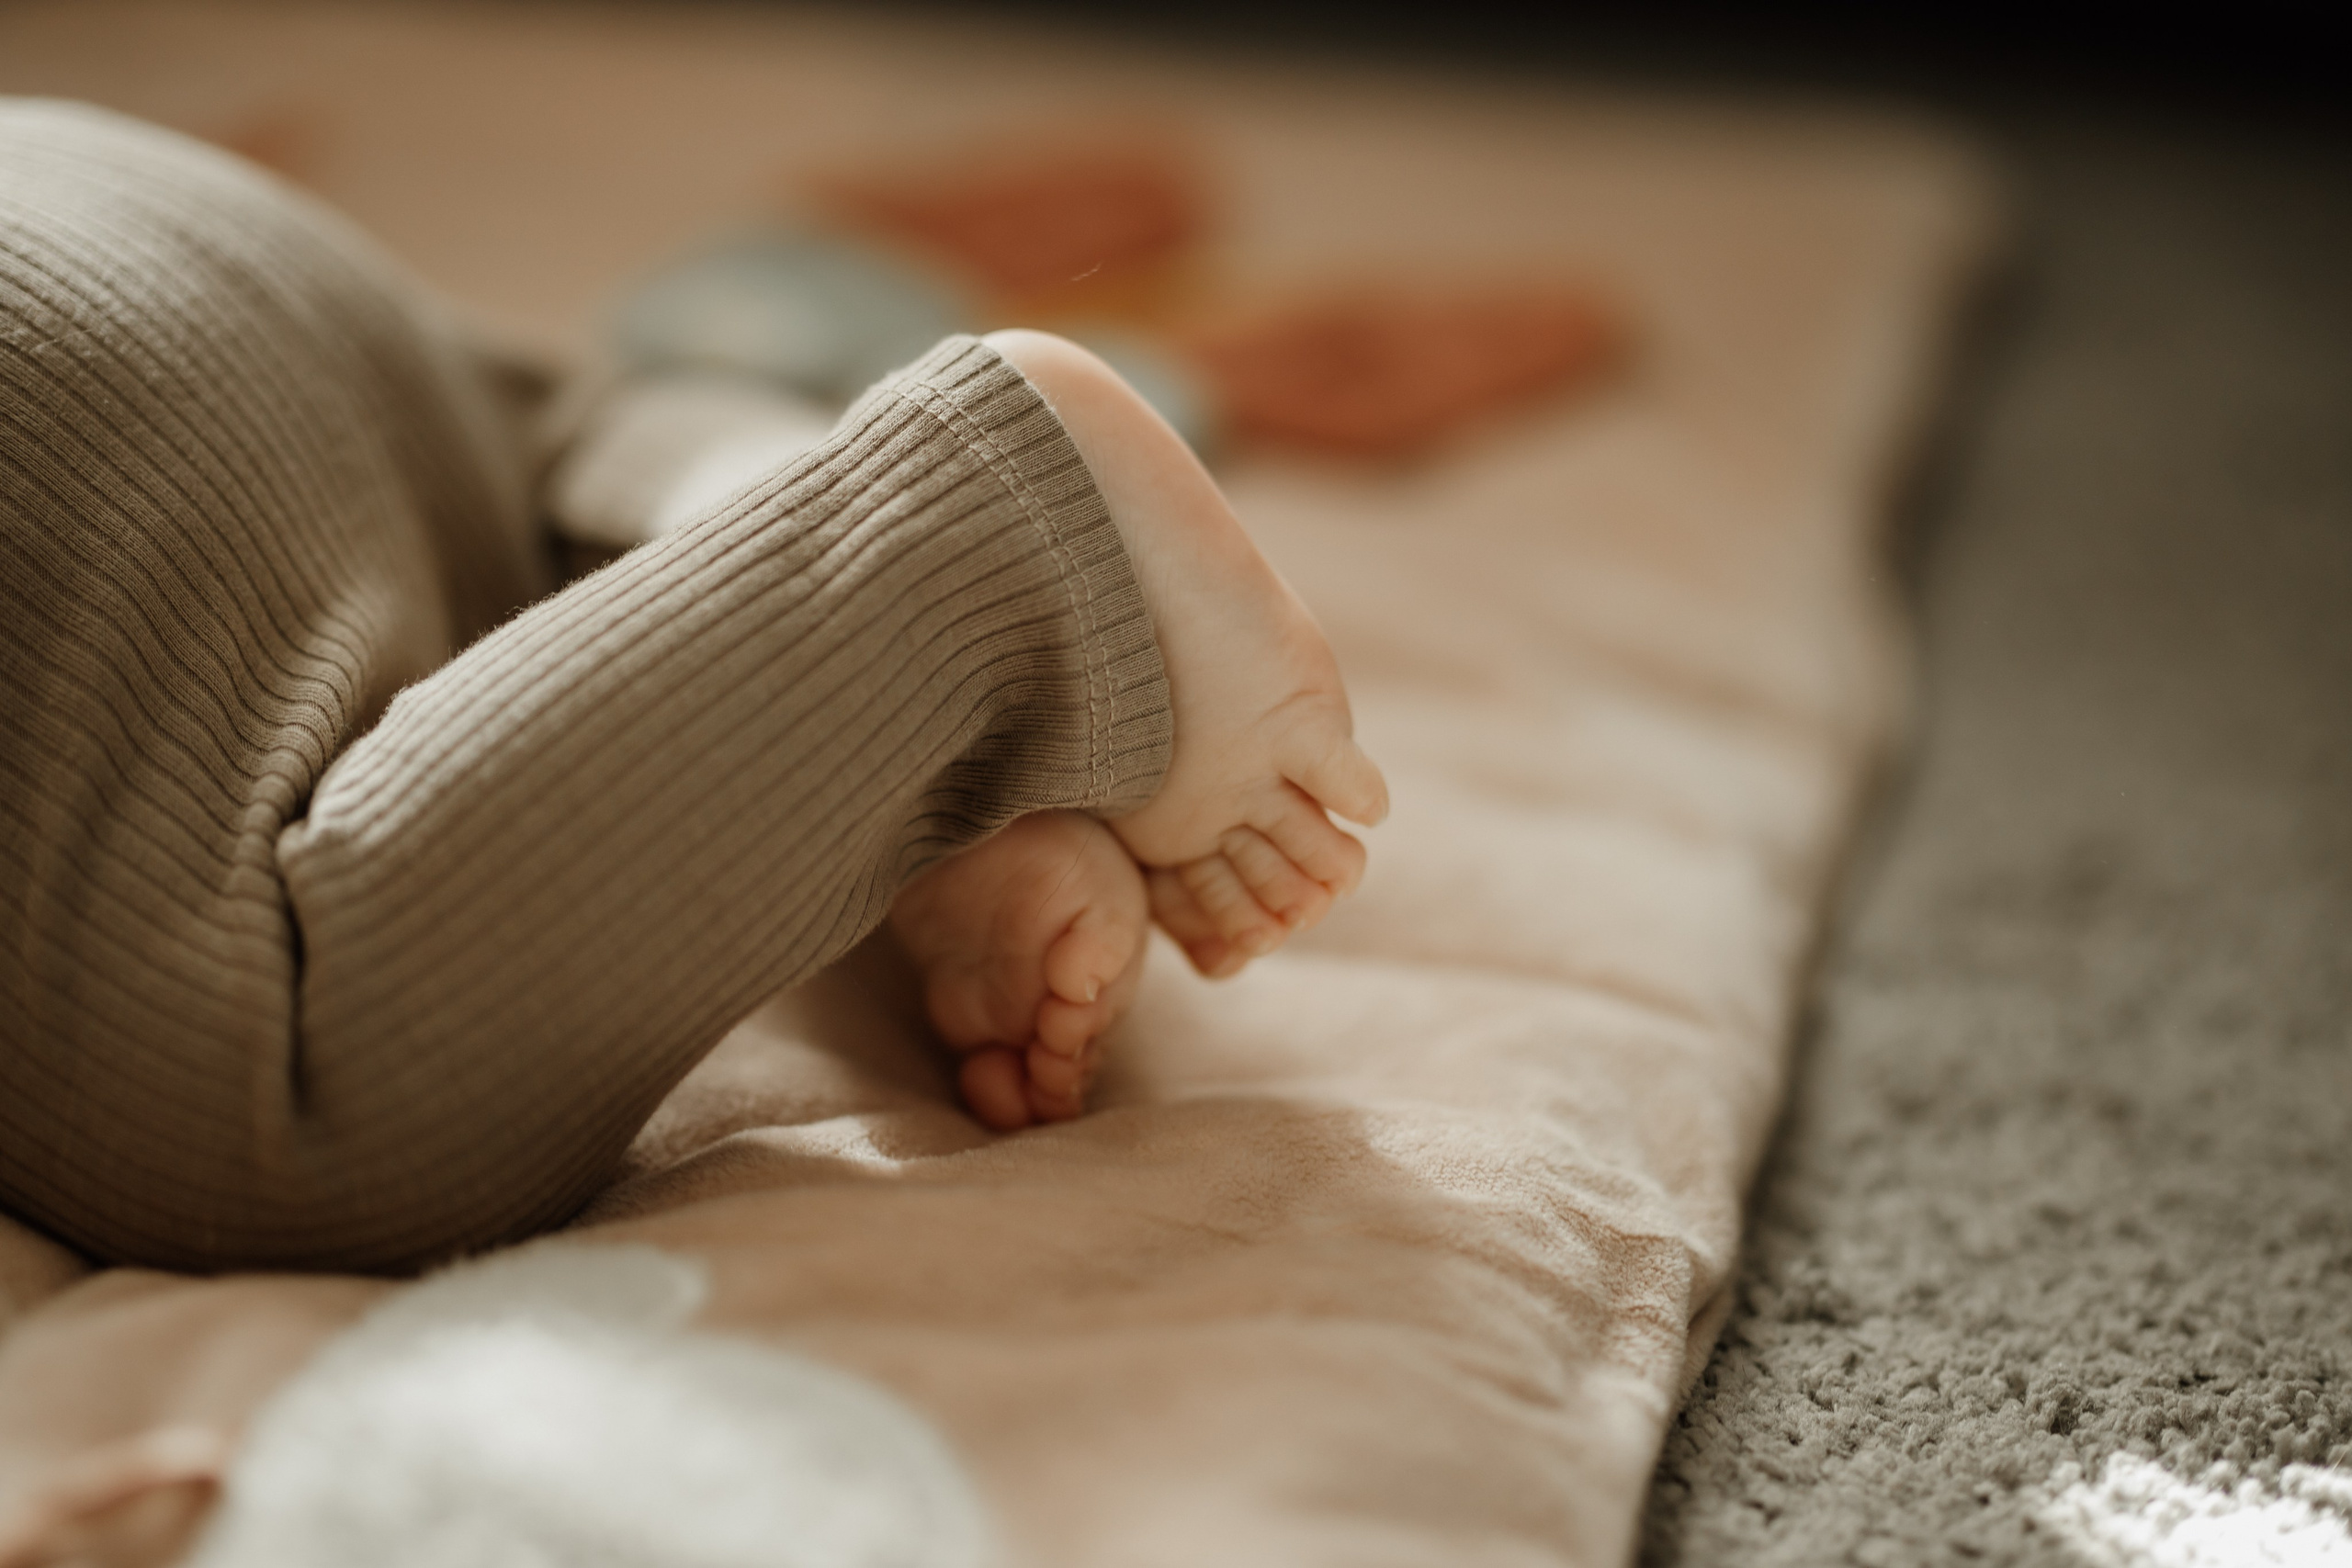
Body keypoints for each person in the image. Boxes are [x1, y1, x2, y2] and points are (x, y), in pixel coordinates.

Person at [0, 100, 1386, 1275]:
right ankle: (889, 701)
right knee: (548, 479)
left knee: (279, 1105)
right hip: (134, 210)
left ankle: (971, 547)